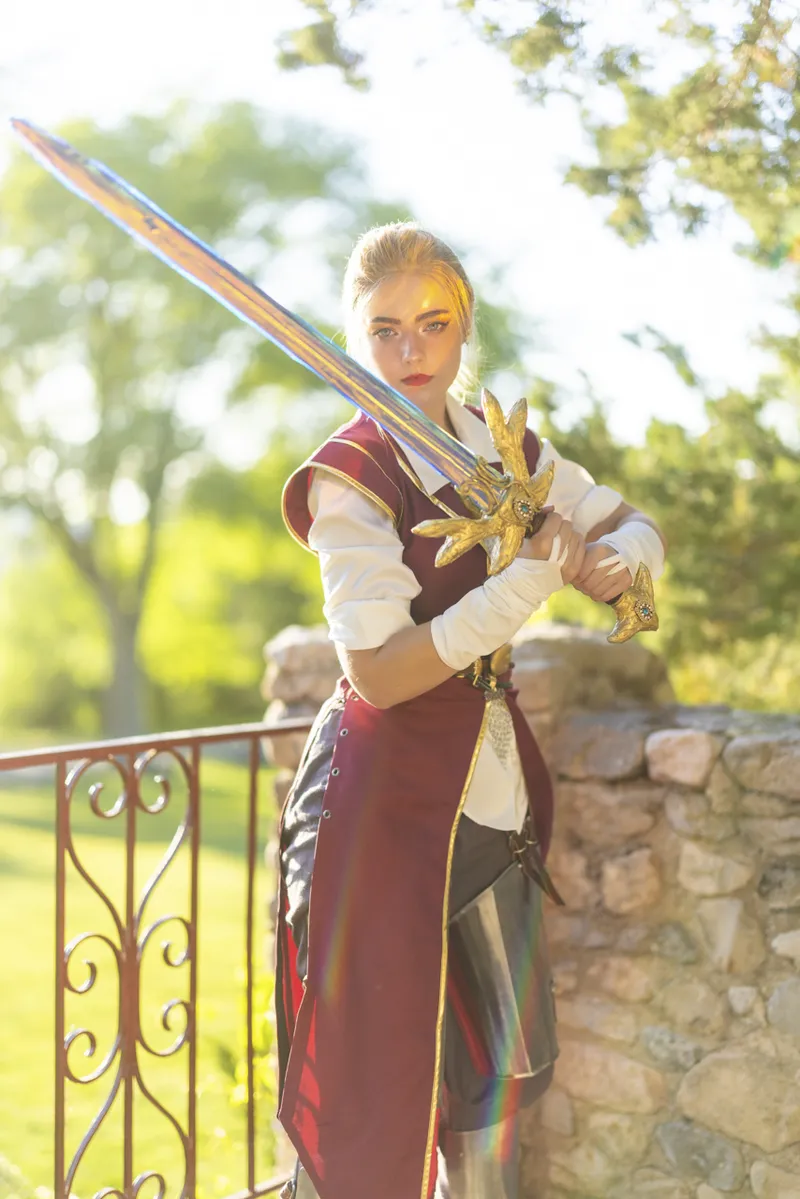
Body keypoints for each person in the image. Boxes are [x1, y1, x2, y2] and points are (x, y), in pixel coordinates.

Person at [276, 222, 666, 1199]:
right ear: (355, 336)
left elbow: (626, 521)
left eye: (433, 323)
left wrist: (615, 561)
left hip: (490, 797)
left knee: (497, 1090)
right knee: (374, 1092)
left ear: (464, 325)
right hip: (376, 808)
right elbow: (377, 671)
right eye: (385, 329)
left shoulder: (505, 447)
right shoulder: (351, 474)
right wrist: (526, 583)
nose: (411, 350)